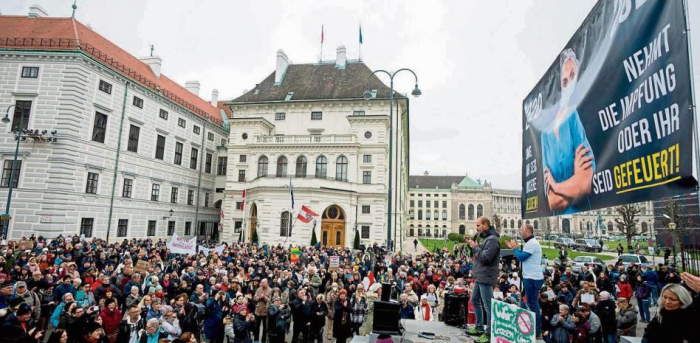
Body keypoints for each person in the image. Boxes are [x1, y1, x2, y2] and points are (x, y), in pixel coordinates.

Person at [541, 48, 596, 215]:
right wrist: (574, 184)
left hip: (583, 214)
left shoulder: (574, 117)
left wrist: (557, 187)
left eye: (573, 76)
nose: (570, 84)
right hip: (555, 218)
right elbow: (552, 201)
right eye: (565, 81)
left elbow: (585, 185)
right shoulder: (545, 135)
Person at [465, 216, 501, 343]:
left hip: (486, 276)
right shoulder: (485, 238)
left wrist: (475, 247)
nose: (476, 228)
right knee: (474, 300)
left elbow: (486, 258)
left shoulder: (492, 240)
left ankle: (489, 332)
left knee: (488, 306)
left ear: (486, 225)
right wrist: (472, 245)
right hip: (480, 275)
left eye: (478, 225)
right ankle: (479, 327)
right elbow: (478, 254)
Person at [506, 223, 544, 338]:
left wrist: (514, 248)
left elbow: (521, 257)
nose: (520, 232)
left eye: (521, 230)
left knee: (533, 304)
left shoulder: (532, 243)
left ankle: (537, 331)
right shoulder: (530, 243)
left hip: (532, 278)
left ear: (527, 232)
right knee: (531, 303)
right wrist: (516, 248)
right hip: (531, 277)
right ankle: (535, 329)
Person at [642, 273, 700, 343]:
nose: (667, 302)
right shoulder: (661, 312)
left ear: (682, 300)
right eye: (665, 297)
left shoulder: (691, 317)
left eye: (672, 299)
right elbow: (649, 331)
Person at [253, 278, 272, 343]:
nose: (261, 284)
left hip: (265, 312)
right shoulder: (258, 289)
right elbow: (254, 298)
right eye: (261, 283)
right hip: (257, 311)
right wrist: (259, 297)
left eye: (263, 283)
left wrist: (264, 297)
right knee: (256, 328)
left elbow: (271, 301)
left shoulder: (270, 290)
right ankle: (256, 341)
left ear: (267, 283)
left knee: (265, 329)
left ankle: (263, 341)